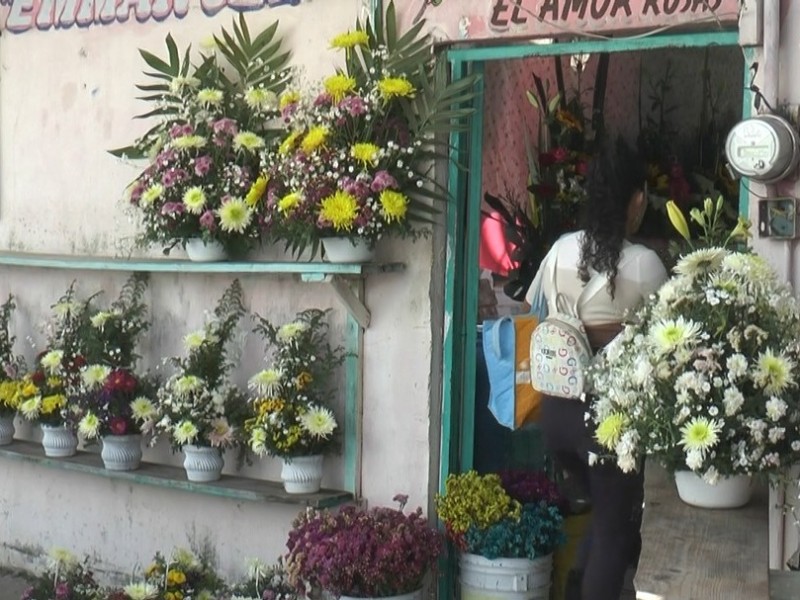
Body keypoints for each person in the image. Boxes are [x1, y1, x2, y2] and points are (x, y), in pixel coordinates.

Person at [524, 141, 668, 600]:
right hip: (608, 425)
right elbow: (669, 336)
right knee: (613, 532)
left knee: (606, 519)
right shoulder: (644, 265)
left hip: (557, 417)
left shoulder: (561, 250)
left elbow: (539, 309)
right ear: (638, 199)